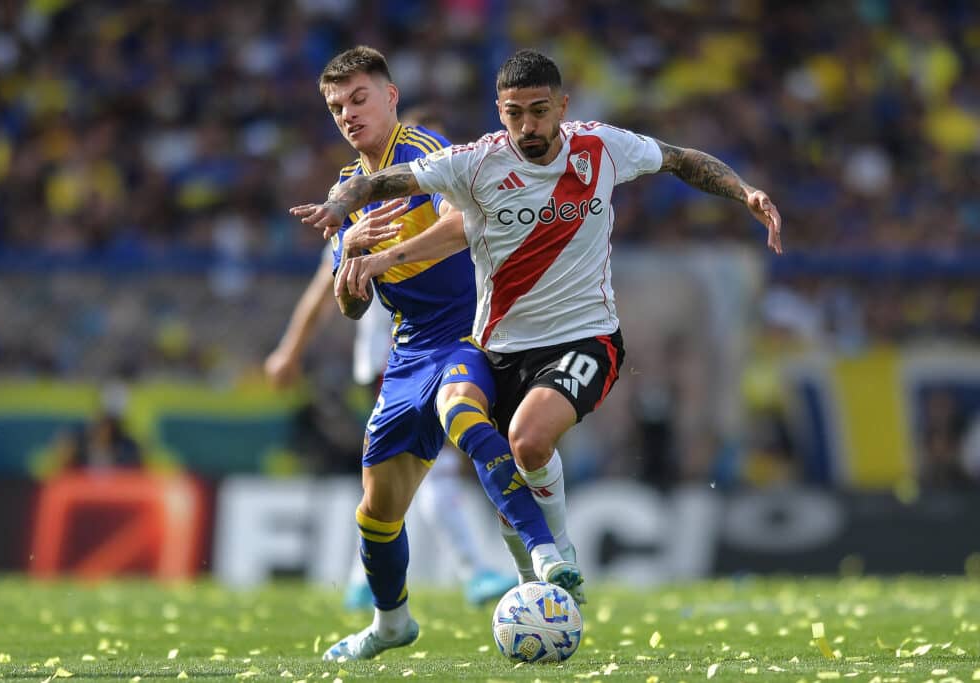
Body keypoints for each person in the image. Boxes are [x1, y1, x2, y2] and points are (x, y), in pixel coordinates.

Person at [293, 48, 784, 606]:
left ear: (562, 107)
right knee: (498, 475)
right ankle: (523, 585)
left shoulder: (600, 146)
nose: (527, 125)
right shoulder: (476, 163)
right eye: (513, 113)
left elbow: (679, 159)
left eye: (538, 111)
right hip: (500, 346)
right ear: (498, 111)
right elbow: (379, 185)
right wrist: (340, 213)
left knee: (524, 439)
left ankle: (556, 547)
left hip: (586, 337)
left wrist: (744, 191)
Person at [296, 46, 580, 663]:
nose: (348, 114)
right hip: (408, 349)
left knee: (461, 411)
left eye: (360, 99)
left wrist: (386, 255)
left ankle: (544, 552)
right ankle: (391, 621)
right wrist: (352, 260)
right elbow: (350, 306)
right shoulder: (347, 190)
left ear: (390, 97)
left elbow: (462, 226)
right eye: (337, 107)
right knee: (376, 511)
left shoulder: (423, 153)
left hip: (473, 328)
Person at [265, 240, 517, 609]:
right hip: (402, 357)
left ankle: (361, 580)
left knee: (397, 471)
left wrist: (290, 351)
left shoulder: (418, 199)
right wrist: (290, 351)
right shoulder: (369, 215)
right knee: (436, 466)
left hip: (409, 355)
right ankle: (474, 570)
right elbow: (324, 288)